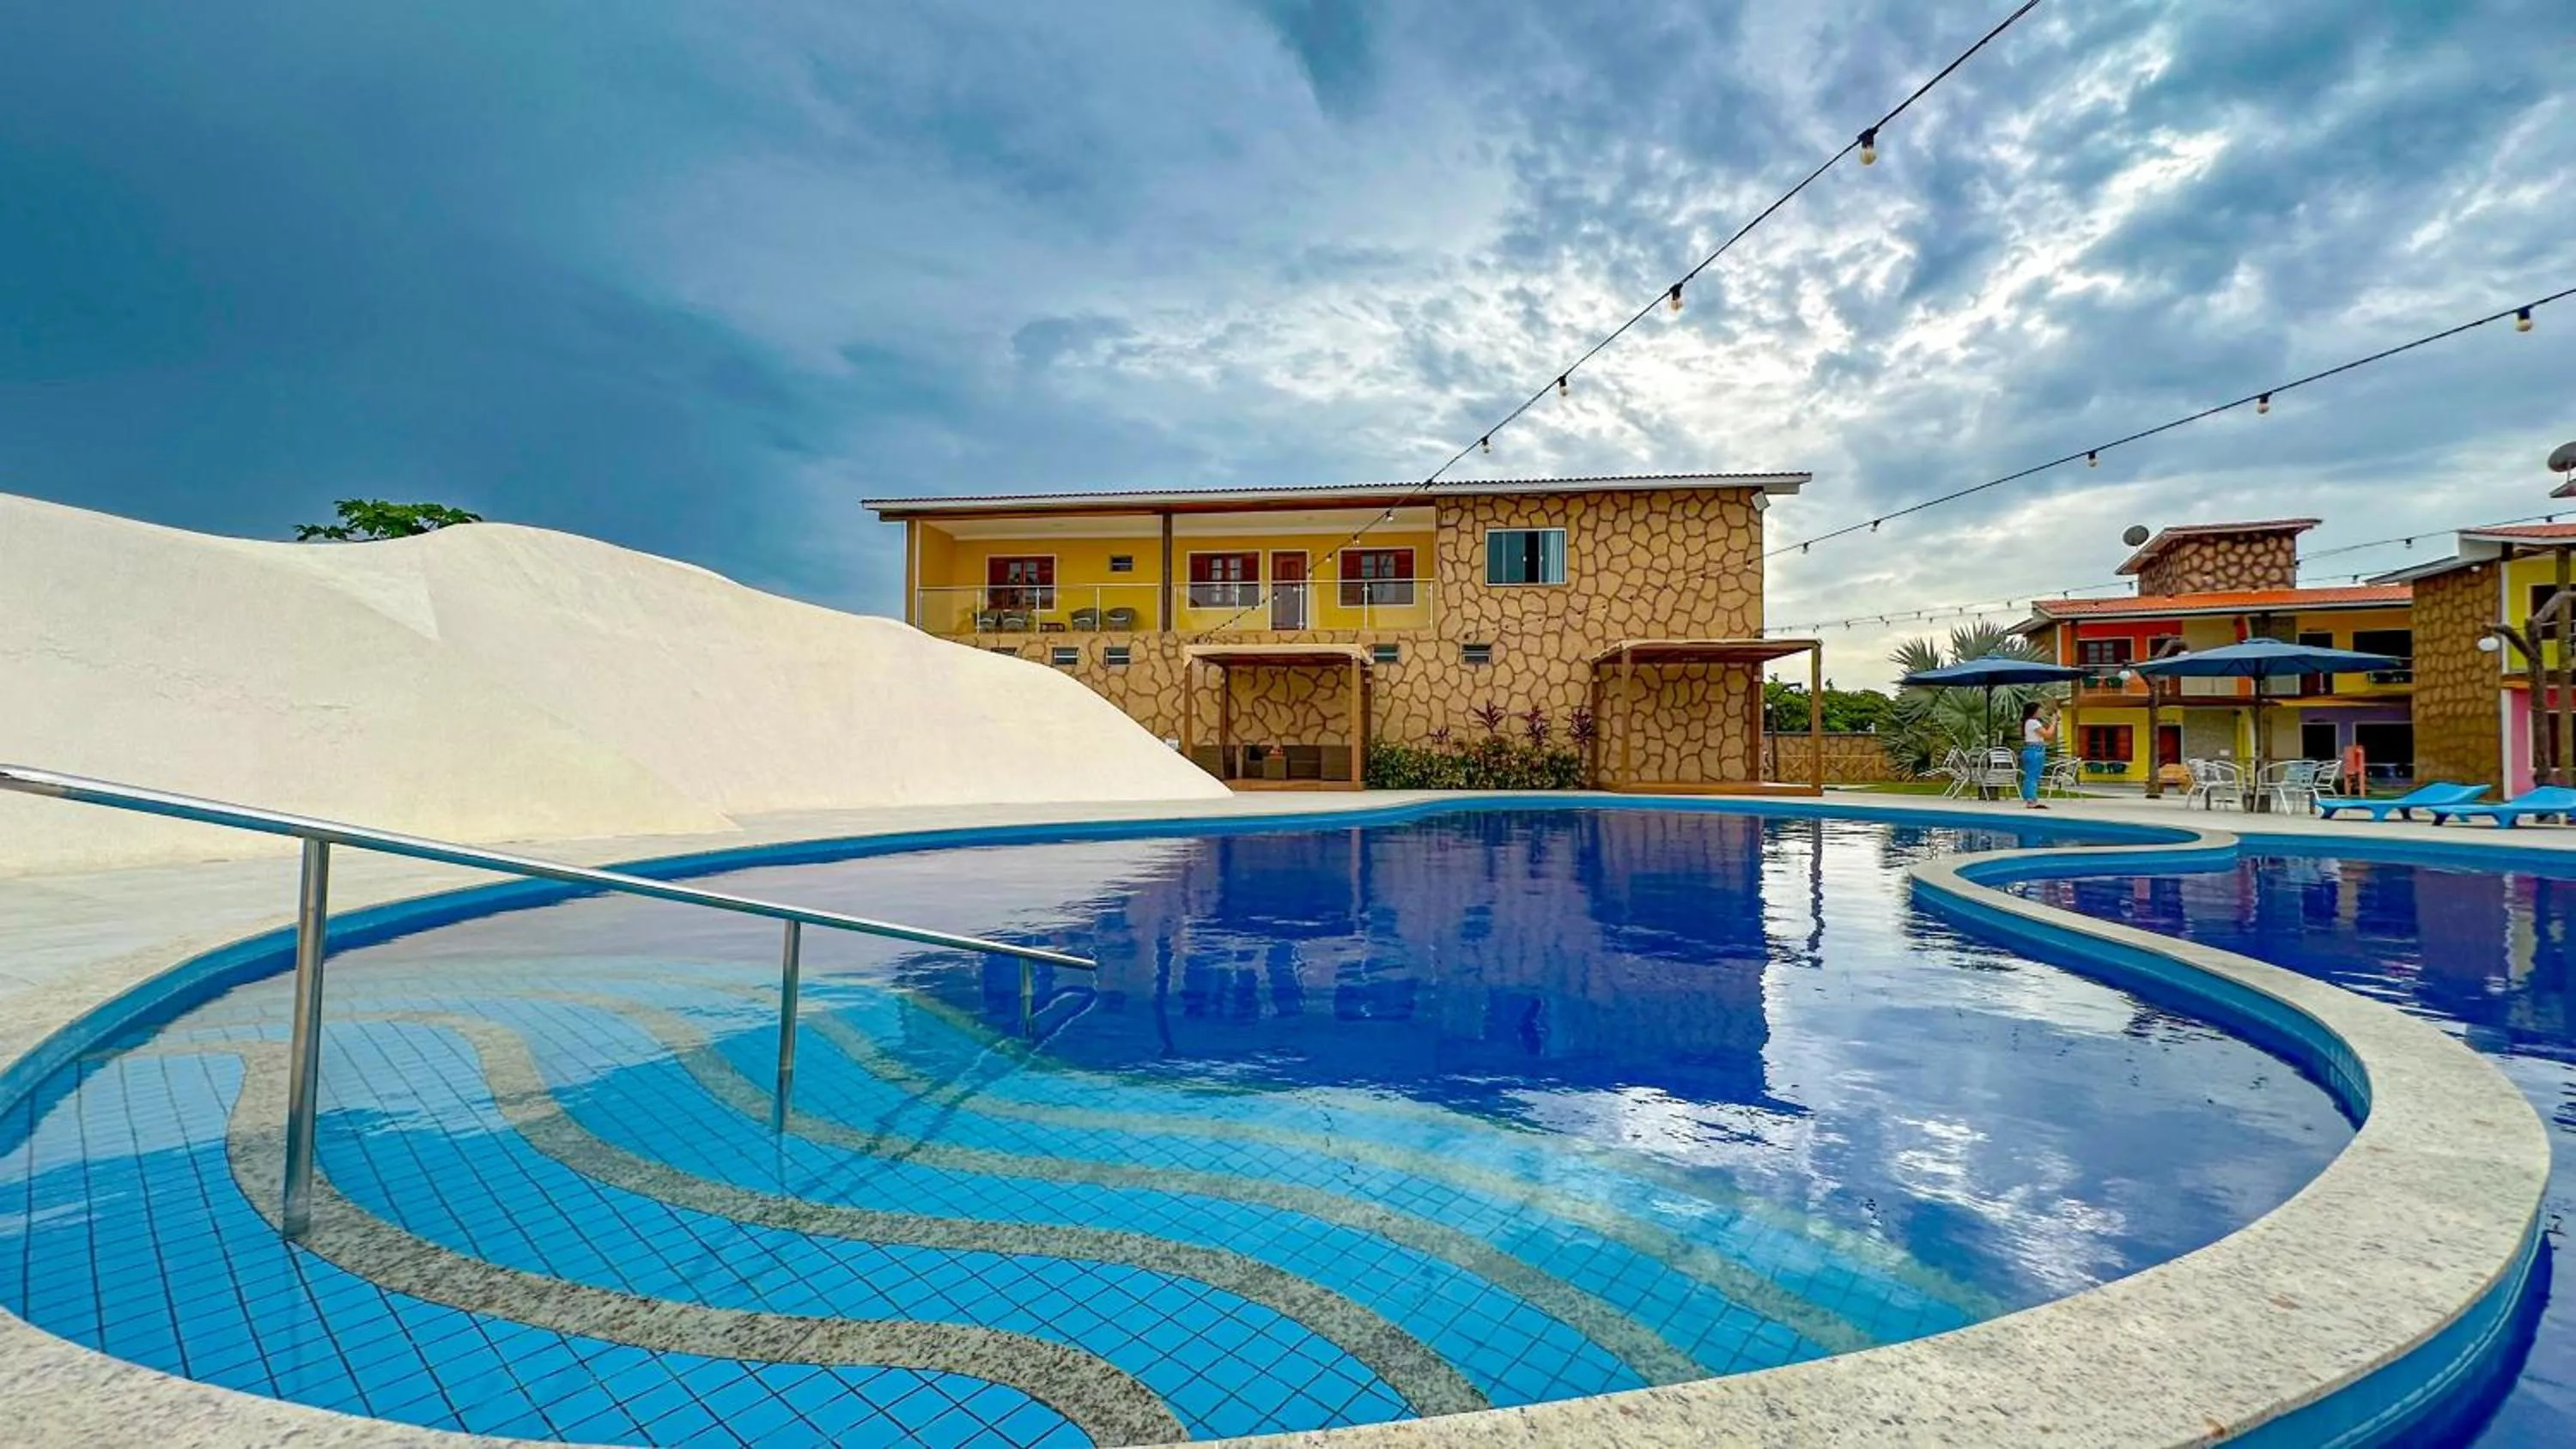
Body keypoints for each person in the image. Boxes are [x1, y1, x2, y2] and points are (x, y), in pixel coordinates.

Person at [2020, 700, 2056, 809]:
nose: (2041, 712)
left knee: (2032, 776)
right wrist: (2054, 722)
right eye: (2040, 709)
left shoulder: (2030, 722)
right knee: (2032, 776)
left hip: (2033, 750)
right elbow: (2048, 735)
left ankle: (2032, 800)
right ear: (2034, 711)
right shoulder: (2033, 722)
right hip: (2035, 751)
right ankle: (2031, 800)